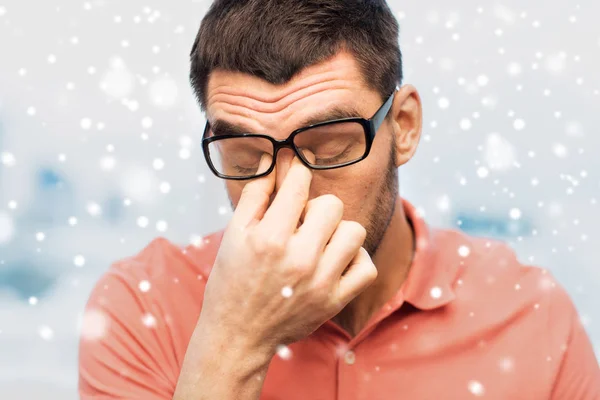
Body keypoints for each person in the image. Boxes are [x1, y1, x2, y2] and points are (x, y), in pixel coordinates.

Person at [78, 1, 600, 399]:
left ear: (405, 127)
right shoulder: (141, 307)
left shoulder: (530, 314)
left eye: (329, 146)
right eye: (244, 155)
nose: (289, 191)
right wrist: (235, 340)